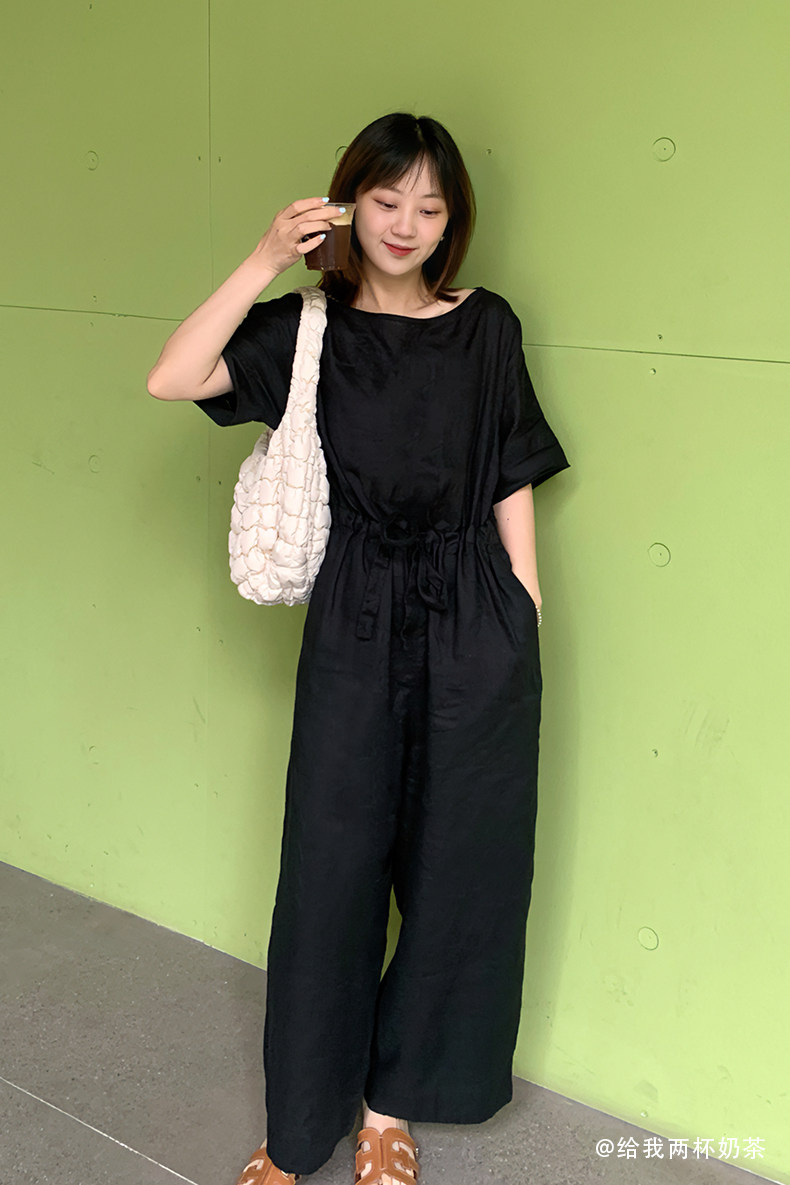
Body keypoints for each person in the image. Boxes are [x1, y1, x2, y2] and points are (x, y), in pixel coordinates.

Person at [147, 112, 570, 1185]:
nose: (406, 224)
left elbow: (510, 467)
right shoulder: (307, 329)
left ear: (452, 221)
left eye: (430, 206)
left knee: (459, 864)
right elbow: (173, 376)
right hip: (357, 610)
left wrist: (525, 605)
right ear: (349, 204)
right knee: (331, 866)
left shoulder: (487, 325)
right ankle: (301, 1127)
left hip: (474, 609)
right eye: (387, 200)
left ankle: (390, 1109)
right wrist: (262, 258)